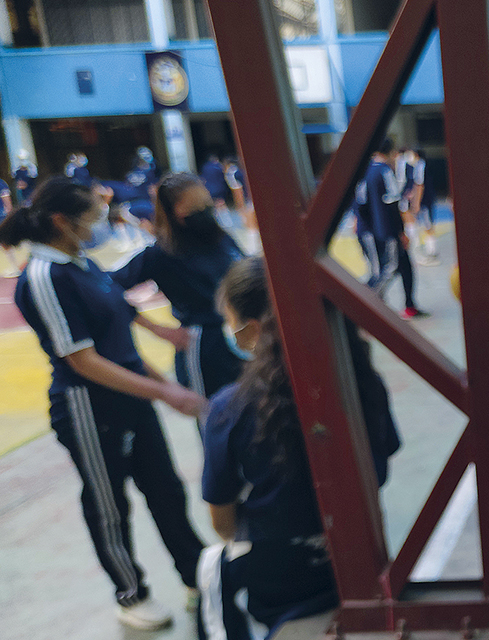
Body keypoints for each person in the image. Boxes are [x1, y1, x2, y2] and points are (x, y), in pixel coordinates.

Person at [0, 177, 207, 631]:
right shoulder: (44, 278)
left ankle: (197, 576)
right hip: (89, 409)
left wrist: (163, 381)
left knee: (166, 491)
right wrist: (166, 391)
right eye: (93, 217)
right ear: (62, 221)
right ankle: (131, 594)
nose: (101, 225)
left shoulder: (83, 264)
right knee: (109, 504)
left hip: (132, 398)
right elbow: (84, 361)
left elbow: (122, 344)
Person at [199, 256, 401, 639]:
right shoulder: (361, 380)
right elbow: (382, 466)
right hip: (364, 562)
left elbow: (222, 521)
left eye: (231, 323)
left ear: (252, 329)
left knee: (213, 569)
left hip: (281, 588)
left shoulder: (231, 408)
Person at [110, 173, 247, 406]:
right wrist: (158, 330)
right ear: (174, 213)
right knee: (216, 419)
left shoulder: (221, 239)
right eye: (194, 206)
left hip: (244, 337)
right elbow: (105, 289)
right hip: (205, 348)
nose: (204, 210)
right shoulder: (160, 254)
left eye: (206, 203)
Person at [356, 139, 422, 318]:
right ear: (391, 152)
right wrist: (400, 232)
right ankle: (366, 303)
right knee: (388, 268)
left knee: (403, 266)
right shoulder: (384, 172)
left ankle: (409, 305)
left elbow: (361, 205)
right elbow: (392, 204)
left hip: (376, 230)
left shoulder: (365, 170)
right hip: (386, 231)